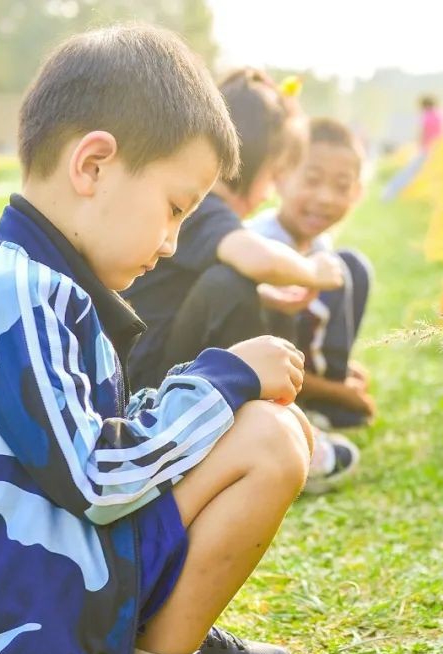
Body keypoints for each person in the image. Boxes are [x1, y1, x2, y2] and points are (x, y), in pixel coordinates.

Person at [0, 25, 314, 654]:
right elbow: (98, 476)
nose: (173, 242)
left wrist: (219, 398)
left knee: (268, 429)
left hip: (35, 580)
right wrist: (224, 379)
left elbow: (95, 449)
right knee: (266, 438)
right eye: (174, 208)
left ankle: (153, 640)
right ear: (92, 166)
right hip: (9, 613)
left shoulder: (53, 288)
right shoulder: (12, 290)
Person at [121, 69, 357, 490]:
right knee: (230, 283)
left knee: (247, 289)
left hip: (159, 367)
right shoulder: (204, 210)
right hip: (146, 389)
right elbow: (251, 255)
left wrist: (269, 294)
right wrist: (311, 270)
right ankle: (275, 436)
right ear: (246, 163)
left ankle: (274, 421)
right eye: (273, 175)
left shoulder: (201, 211)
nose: (269, 193)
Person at [246, 118, 375, 432]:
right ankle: (316, 399)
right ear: (280, 177)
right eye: (312, 180)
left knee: (351, 267)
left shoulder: (319, 246)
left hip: (294, 366)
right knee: (339, 269)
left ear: (357, 192)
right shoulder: (261, 246)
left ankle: (329, 380)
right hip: (255, 371)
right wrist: (340, 392)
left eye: (341, 186)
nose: (326, 198)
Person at [381, 94, 443, 201]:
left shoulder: (427, 116)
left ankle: (388, 193)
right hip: (437, 151)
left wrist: (418, 147)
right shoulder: (441, 116)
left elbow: (422, 133)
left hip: (426, 150)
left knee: (409, 172)